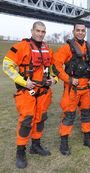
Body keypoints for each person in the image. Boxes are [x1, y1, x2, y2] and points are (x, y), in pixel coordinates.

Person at [2, 21, 57, 168]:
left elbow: (53, 69)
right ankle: (20, 151)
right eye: (38, 31)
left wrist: (54, 79)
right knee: (26, 120)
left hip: (44, 92)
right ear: (32, 31)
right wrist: (23, 81)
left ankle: (36, 146)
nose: (40, 34)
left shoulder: (48, 49)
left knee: (40, 119)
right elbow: (6, 65)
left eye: (43, 31)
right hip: (26, 91)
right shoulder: (21, 47)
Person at [53, 22, 90, 156]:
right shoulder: (66, 48)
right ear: (73, 32)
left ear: (85, 32)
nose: (80, 32)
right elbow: (56, 66)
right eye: (78, 30)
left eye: (83, 30)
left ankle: (87, 139)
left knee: (87, 114)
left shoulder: (89, 48)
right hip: (73, 88)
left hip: (87, 88)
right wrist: (69, 79)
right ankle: (64, 142)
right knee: (69, 115)